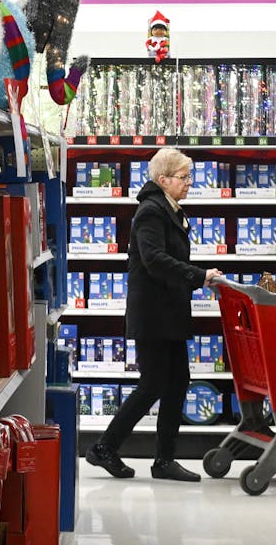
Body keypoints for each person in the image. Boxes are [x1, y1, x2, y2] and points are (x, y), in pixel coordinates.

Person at [86, 147, 220, 482]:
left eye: (189, 176)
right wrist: (198, 276)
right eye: (183, 177)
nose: (189, 183)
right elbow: (154, 259)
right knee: (153, 384)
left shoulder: (170, 209)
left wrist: (198, 278)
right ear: (163, 180)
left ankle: (164, 460)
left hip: (169, 313)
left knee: (177, 383)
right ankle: (104, 447)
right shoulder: (151, 211)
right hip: (154, 315)